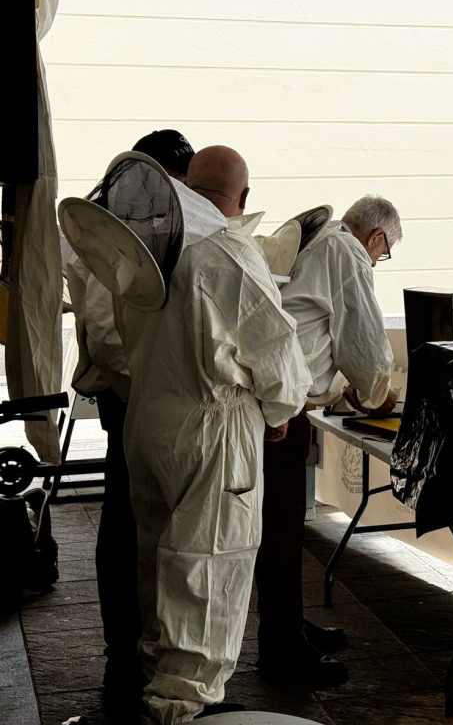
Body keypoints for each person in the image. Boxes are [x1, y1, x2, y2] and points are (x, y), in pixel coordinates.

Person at [125, 145, 311, 722]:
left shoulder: (150, 245)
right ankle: (183, 707)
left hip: (150, 417)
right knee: (209, 565)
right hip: (214, 428)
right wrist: (279, 414)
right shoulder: (228, 250)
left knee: (159, 558)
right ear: (244, 199)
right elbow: (278, 356)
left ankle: (156, 676)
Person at [62, 131, 194, 720]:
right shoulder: (103, 236)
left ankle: (144, 650)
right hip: (127, 397)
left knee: (146, 523)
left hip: (144, 395)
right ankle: (125, 658)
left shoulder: (126, 221)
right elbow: (110, 334)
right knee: (127, 525)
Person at [256, 196, 401, 689]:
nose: (379, 261)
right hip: (284, 405)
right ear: (377, 238)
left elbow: (320, 328)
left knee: (283, 528)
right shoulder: (348, 252)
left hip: (282, 397)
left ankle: (290, 626)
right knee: (278, 531)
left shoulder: (324, 243)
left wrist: (349, 390)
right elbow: (361, 338)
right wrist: (377, 392)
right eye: (385, 254)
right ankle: (281, 651)